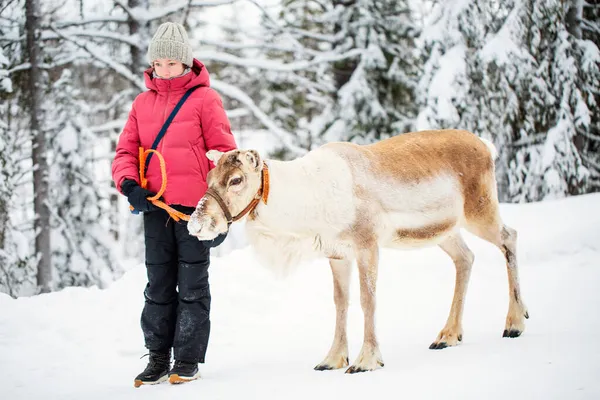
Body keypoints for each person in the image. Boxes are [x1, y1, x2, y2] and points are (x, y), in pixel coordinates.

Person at [111, 21, 237, 387]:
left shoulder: (205, 100)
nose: (164, 69)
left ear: (186, 63)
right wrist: (129, 183)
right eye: (159, 63)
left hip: (196, 211)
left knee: (193, 284)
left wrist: (222, 213)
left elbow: (226, 158)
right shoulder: (142, 103)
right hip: (155, 208)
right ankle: (157, 358)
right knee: (158, 286)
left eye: (172, 63)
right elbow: (125, 151)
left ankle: (186, 358)